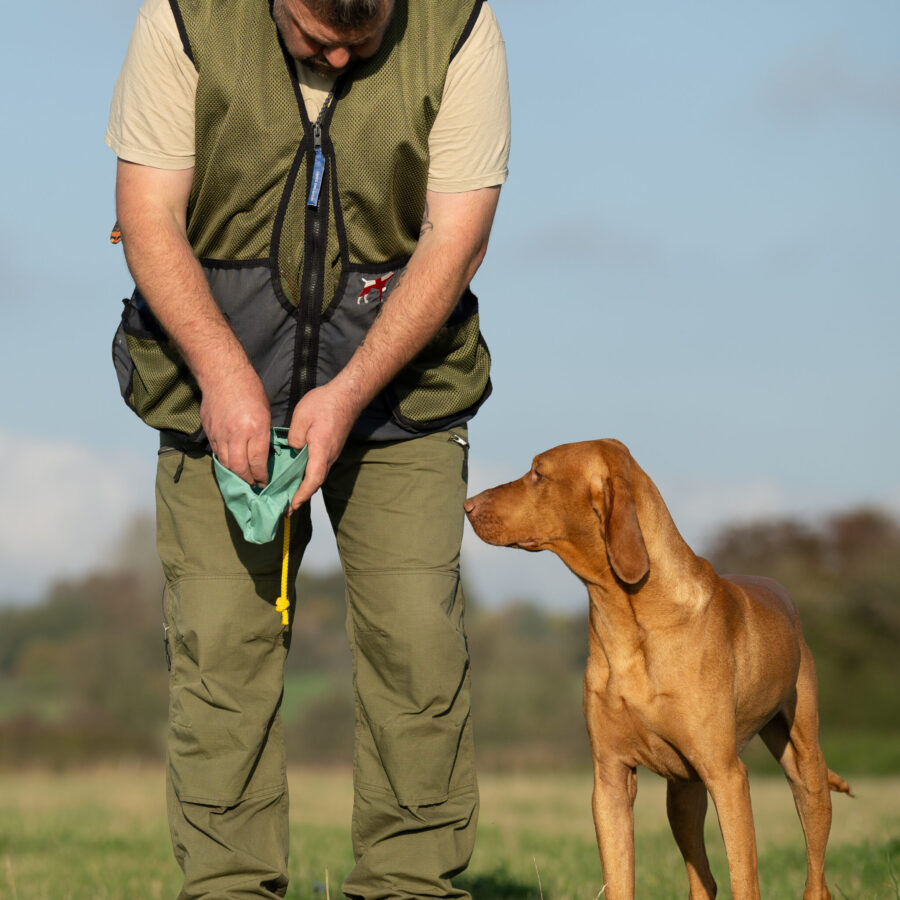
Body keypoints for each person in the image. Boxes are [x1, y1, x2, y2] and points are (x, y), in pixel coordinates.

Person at [106, 0, 510, 896]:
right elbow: (147, 214)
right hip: (212, 389)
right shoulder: (182, 16)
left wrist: (352, 389)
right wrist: (221, 371)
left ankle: (409, 886)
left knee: (419, 649)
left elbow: (457, 239)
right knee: (220, 654)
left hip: (403, 393)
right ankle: (229, 887)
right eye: (317, 38)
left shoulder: (459, 24)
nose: (338, 57)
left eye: (362, 42)